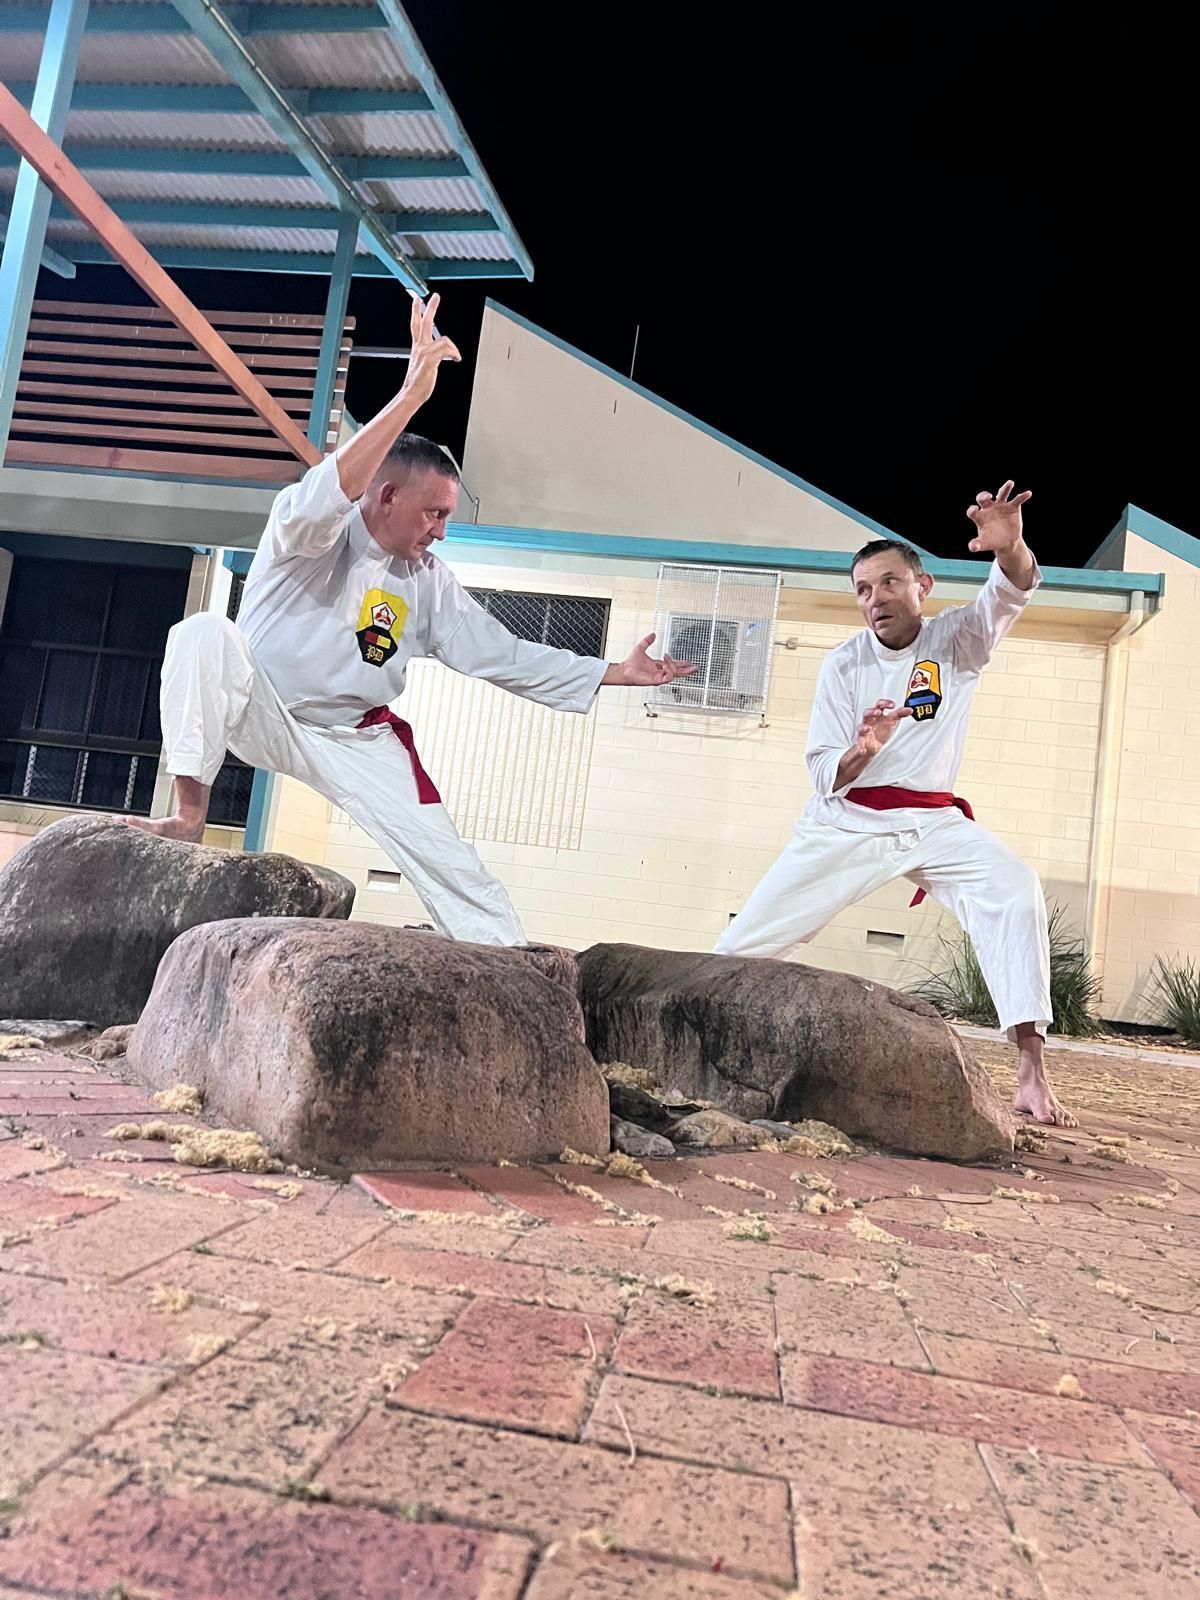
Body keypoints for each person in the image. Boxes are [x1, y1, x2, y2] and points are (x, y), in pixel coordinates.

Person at [126, 293, 694, 945]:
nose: (443, 531)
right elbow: (330, 488)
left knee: (450, 856)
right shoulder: (308, 532)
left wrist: (614, 672)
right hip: (264, 709)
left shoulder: (428, 582)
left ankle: (510, 966)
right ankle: (188, 815)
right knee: (202, 634)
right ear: (388, 496)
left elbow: (503, 654)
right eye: (435, 514)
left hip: (359, 737)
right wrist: (412, 396)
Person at [715, 481, 1076, 1128]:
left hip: (935, 822)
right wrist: (864, 749)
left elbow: (1012, 589)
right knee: (750, 937)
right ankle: (690, 1033)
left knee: (1014, 887)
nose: (874, 599)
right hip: (849, 820)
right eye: (861, 589)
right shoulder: (842, 666)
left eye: (887, 583)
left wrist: (1012, 545)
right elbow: (826, 772)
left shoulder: (957, 640)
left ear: (921, 586)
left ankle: (1030, 1074)